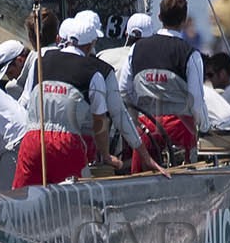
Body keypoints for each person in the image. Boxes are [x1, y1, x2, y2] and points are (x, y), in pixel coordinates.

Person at [14, 20, 115, 188]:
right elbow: (100, 121)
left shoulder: (39, 62)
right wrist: (106, 155)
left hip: (32, 139)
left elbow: (26, 101)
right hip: (65, 144)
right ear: (91, 44)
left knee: (23, 197)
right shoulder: (94, 72)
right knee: (78, 198)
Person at [120, 0, 208, 172]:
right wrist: (205, 127)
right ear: (184, 20)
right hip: (180, 129)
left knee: (141, 180)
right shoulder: (191, 54)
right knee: (184, 182)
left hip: (146, 127)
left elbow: (124, 90)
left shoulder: (136, 49)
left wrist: (136, 120)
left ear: (159, 17)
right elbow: (196, 102)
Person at [69, 12, 163, 176]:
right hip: (120, 131)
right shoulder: (143, 60)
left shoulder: (103, 55)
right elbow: (123, 105)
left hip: (81, 135)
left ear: (126, 33)